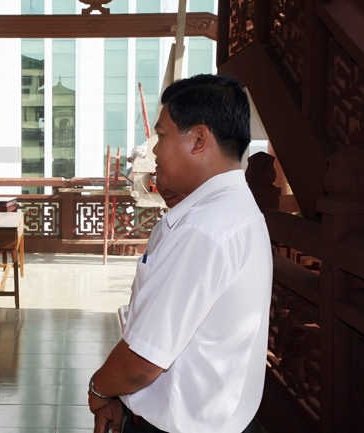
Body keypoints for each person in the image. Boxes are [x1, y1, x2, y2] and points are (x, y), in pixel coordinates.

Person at [88, 74, 273, 433]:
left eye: (162, 135)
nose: (155, 151)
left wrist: (99, 389)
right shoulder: (232, 210)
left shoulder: (204, 228)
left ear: (199, 139)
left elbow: (142, 361)